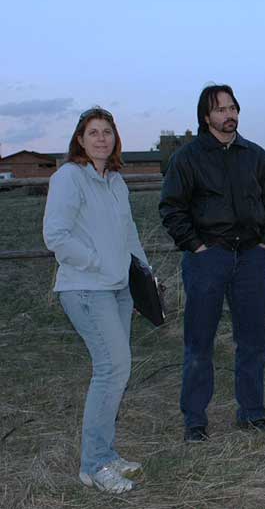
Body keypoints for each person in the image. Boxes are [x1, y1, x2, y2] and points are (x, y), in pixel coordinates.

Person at [159, 84, 265, 442]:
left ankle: (252, 413)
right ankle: (195, 420)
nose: (229, 115)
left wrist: (264, 242)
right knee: (200, 342)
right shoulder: (187, 158)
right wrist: (195, 246)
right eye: (220, 109)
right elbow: (171, 208)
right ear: (205, 117)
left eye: (233, 108)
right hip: (207, 259)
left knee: (254, 342)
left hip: (250, 260)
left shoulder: (257, 157)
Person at [43, 107, 148, 493]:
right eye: (93, 132)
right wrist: (98, 263)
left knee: (116, 370)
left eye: (108, 131)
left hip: (120, 289)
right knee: (112, 368)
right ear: (80, 139)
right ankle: (93, 465)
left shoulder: (115, 181)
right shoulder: (69, 177)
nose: (101, 138)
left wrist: (143, 279)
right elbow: (56, 235)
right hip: (86, 288)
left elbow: (129, 232)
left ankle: (105, 452)